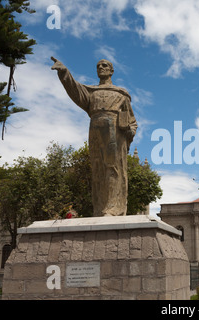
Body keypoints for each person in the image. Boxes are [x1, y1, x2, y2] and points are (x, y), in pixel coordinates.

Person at [51, 57, 138, 216]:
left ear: (111, 70)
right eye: (98, 66)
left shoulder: (121, 94)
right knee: (98, 170)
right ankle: (100, 208)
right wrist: (64, 72)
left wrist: (129, 131)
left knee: (112, 168)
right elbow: (75, 90)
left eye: (104, 65)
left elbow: (132, 121)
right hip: (95, 129)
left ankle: (113, 208)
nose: (101, 68)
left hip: (115, 132)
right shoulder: (92, 93)